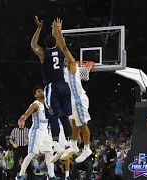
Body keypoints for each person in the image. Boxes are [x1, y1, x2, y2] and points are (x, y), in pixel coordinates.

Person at [30, 16, 73, 163]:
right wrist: (57, 30)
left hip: (52, 87)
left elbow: (33, 44)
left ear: (46, 45)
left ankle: (56, 144)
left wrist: (39, 27)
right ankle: (69, 143)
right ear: (56, 43)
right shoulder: (61, 51)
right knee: (65, 116)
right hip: (64, 86)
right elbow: (61, 42)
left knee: (53, 115)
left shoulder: (43, 53)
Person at [54, 18, 92, 163]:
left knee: (82, 125)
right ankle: (74, 146)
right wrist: (55, 33)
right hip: (71, 100)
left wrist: (59, 31)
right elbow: (59, 49)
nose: (63, 58)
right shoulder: (63, 69)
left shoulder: (72, 65)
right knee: (75, 124)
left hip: (78, 98)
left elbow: (63, 48)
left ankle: (87, 148)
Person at [16, 86, 56, 180]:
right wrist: (23, 118)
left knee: (49, 152)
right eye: (38, 91)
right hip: (36, 131)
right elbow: (26, 114)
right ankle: (21, 175)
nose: (41, 92)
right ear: (35, 95)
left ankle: (51, 176)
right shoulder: (35, 105)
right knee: (31, 154)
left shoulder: (47, 104)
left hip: (46, 131)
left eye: (42, 90)